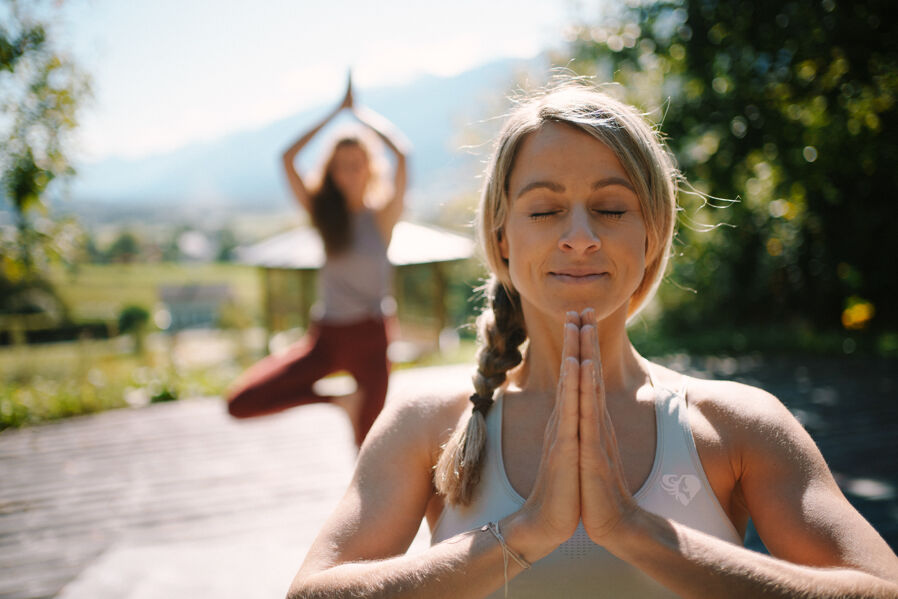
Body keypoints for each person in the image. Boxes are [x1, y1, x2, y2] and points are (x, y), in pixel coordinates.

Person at [285, 82, 898, 598]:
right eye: (544, 210)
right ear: (502, 238)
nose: (579, 236)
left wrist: (637, 532)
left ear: (653, 234)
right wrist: (523, 534)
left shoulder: (737, 425)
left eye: (610, 208)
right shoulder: (427, 426)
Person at [227, 76, 408, 448]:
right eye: (341, 166)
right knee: (240, 403)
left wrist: (359, 115)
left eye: (357, 164)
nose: (350, 172)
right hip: (327, 338)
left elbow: (404, 155)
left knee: (367, 448)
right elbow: (287, 158)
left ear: (370, 168)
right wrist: (334, 114)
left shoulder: (382, 216)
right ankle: (337, 400)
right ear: (331, 173)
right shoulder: (324, 216)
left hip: (373, 341)